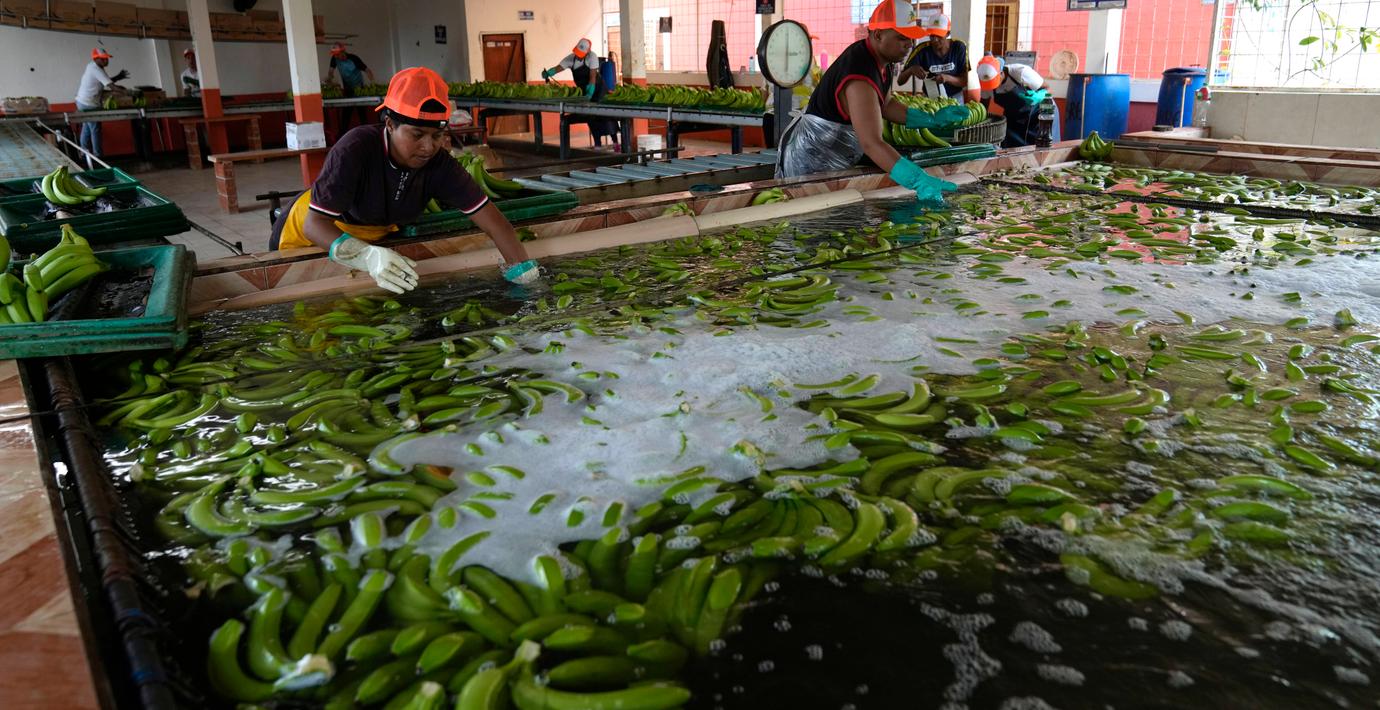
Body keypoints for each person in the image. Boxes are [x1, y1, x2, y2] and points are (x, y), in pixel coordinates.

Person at [271, 67, 539, 292]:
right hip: (310, 232)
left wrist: (524, 276)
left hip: (372, 234)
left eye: (437, 136)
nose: (428, 147)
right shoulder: (355, 149)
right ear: (390, 125)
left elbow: (496, 225)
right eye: (416, 134)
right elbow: (315, 225)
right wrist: (366, 255)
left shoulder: (439, 165)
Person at [775, 0, 966, 206]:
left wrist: (930, 119)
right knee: (811, 225)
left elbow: (886, 104)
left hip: (835, 155)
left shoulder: (883, 60)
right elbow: (872, 143)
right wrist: (917, 180)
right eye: (902, 38)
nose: (909, 45)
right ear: (878, 35)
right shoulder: (859, 74)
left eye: (911, 38)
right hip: (813, 162)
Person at [541, 39, 618, 150]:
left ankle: (616, 142)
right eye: (577, 53)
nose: (579, 56)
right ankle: (597, 143)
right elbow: (559, 67)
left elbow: (592, 77)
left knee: (605, 115)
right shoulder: (571, 59)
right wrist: (549, 72)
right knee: (590, 116)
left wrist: (590, 92)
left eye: (581, 54)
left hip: (599, 90)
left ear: (588, 51)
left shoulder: (592, 57)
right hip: (584, 91)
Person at [976, 55, 1059, 148]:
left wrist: (1039, 96)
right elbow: (983, 106)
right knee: (1010, 148)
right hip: (1015, 117)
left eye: (994, 83)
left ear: (1001, 73)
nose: (993, 87)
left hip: (1040, 115)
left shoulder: (1021, 72)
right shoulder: (986, 83)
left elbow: (1048, 88)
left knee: (1042, 148)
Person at [898, 14, 970, 99]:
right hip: (930, 99)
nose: (935, 40)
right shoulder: (921, 50)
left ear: (948, 33)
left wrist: (947, 78)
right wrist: (911, 70)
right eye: (931, 35)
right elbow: (900, 81)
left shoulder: (959, 47)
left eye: (939, 35)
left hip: (955, 98)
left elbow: (965, 81)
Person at [73, 47, 128, 157]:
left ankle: (83, 154)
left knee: (87, 129)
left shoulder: (95, 66)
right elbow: (111, 87)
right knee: (95, 129)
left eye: (106, 58)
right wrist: (129, 93)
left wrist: (118, 77)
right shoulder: (96, 69)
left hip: (83, 101)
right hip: (88, 103)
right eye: (103, 59)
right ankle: (98, 156)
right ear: (96, 58)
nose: (106, 61)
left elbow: (104, 81)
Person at [325, 42, 377, 132]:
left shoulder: (354, 59)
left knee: (362, 113)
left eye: (337, 54)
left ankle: (367, 133)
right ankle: (342, 134)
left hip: (359, 89)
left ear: (343, 52)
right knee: (346, 114)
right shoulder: (334, 59)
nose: (336, 56)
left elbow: (367, 71)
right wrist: (329, 79)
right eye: (335, 55)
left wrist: (373, 83)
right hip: (347, 89)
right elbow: (330, 72)